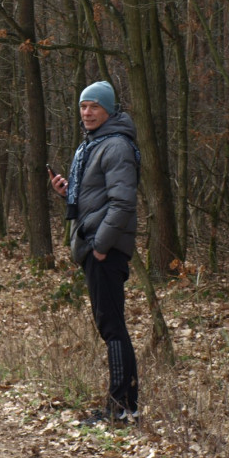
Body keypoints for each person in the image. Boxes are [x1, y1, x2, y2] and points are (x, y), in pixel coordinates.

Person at [49, 80, 140, 426]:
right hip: (95, 244)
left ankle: (120, 408)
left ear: (109, 110)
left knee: (111, 327)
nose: (87, 113)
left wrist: (100, 246)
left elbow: (123, 203)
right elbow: (98, 197)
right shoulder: (95, 143)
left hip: (105, 249)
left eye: (94, 107)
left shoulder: (115, 145)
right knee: (111, 325)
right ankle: (126, 406)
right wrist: (67, 193)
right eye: (83, 106)